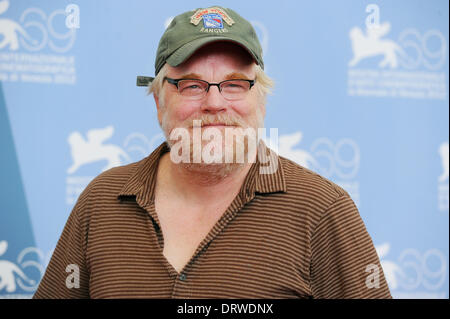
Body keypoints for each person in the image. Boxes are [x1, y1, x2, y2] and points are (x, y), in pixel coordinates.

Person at [33, 6, 391, 299]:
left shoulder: (321, 209)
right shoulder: (102, 201)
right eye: (192, 85)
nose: (215, 103)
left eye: (235, 85)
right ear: (159, 101)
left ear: (260, 100)